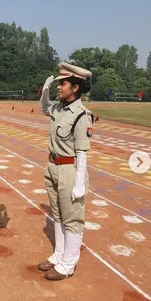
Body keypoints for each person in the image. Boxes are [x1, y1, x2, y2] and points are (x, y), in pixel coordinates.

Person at [38, 62, 94, 281]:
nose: (59, 87)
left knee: (72, 218)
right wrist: (44, 92)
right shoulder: (59, 108)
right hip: (53, 166)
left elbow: (82, 153)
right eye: (58, 84)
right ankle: (59, 255)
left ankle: (69, 263)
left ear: (76, 88)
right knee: (58, 215)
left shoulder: (82, 115)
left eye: (63, 84)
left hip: (70, 169)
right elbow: (44, 108)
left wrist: (79, 183)